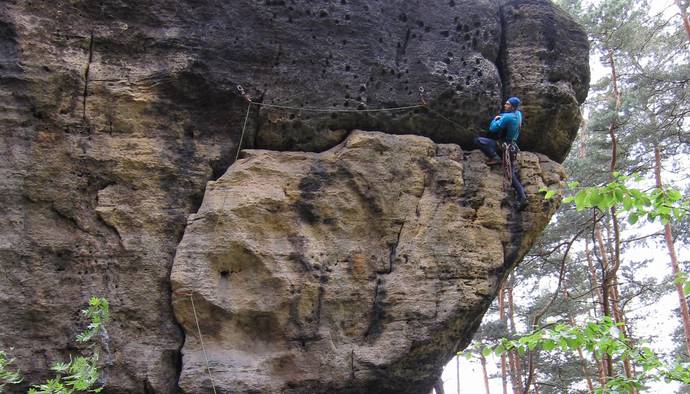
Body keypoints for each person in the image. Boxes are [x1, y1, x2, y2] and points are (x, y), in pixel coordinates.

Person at [473, 96, 528, 210]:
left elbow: (492, 129)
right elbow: (510, 117)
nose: (505, 105)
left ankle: (495, 157)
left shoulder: (507, 117)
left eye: (507, 104)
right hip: (512, 147)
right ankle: (522, 197)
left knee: (478, 140)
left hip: (503, 146)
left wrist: (496, 118)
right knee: (510, 173)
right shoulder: (518, 114)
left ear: (512, 106)